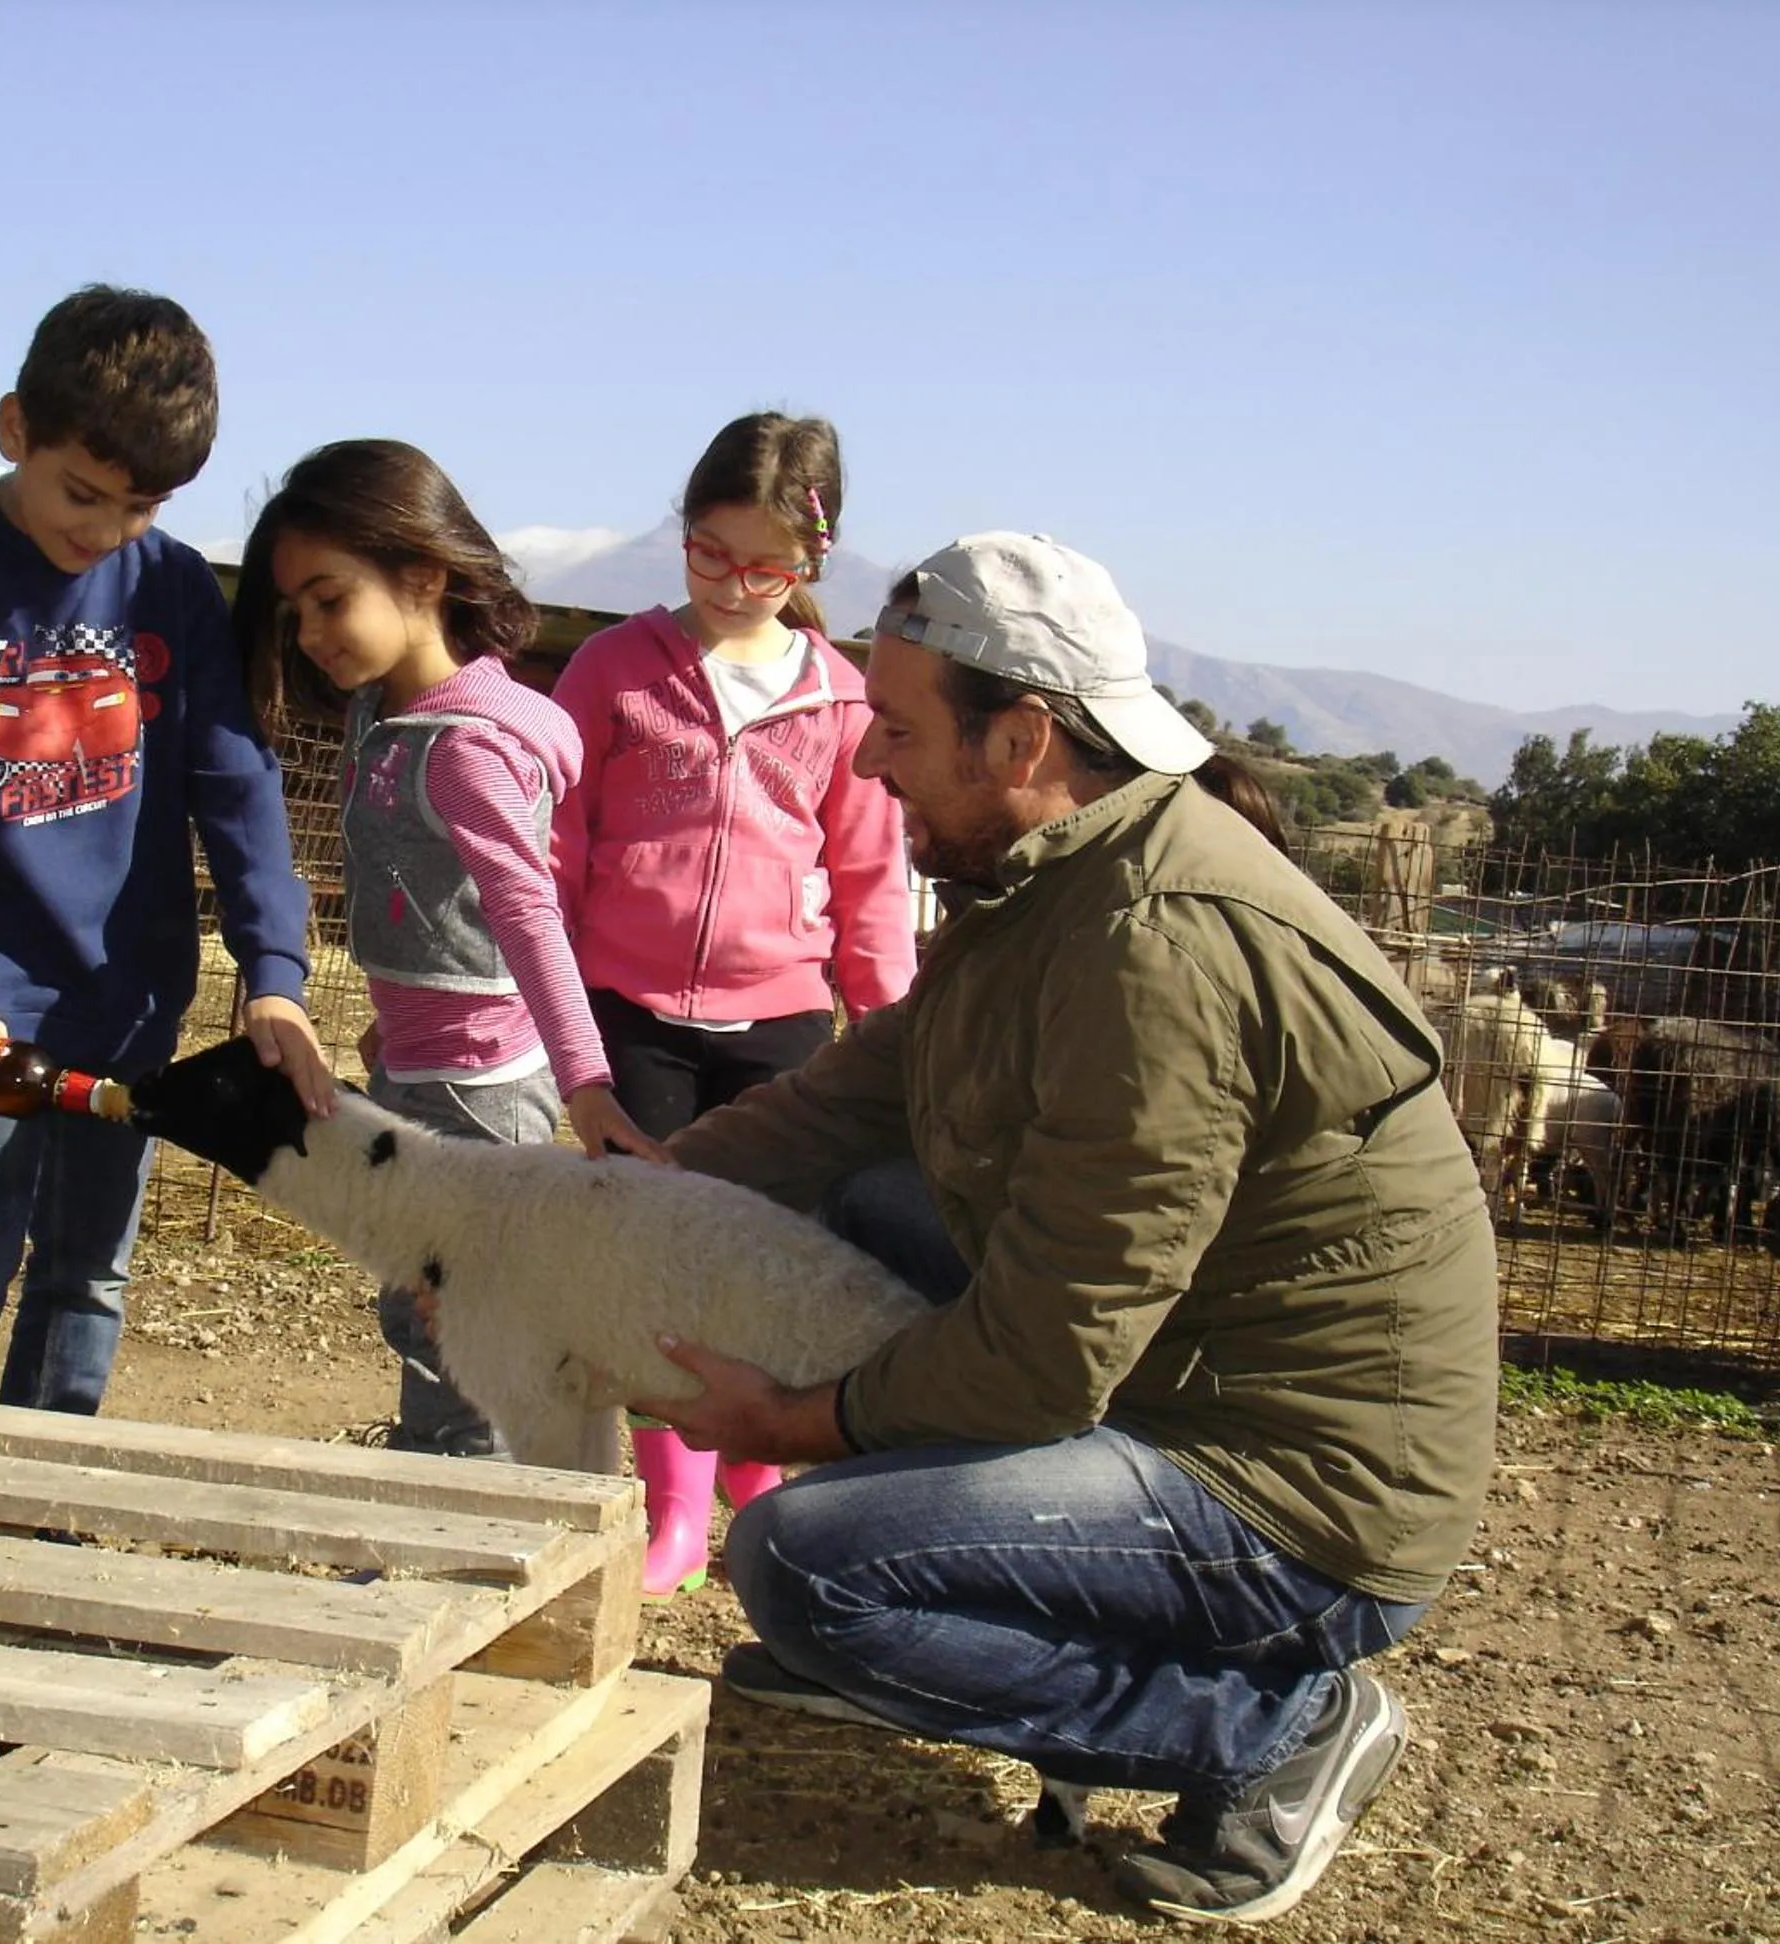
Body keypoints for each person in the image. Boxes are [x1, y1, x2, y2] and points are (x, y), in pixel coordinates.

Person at [632, 532, 1498, 1924]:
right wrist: (590, 1224)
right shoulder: (1059, 879)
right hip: (1188, 1379)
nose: (868, 768)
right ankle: (923, 1616)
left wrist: (791, 1421)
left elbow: (1042, 1360)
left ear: (1022, 736)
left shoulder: (1152, 944)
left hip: (1296, 1499)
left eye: (900, 733)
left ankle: (1275, 1732)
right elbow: (845, 1107)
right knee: (858, 1202)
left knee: (799, 1566)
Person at [0, 285, 333, 1417]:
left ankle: (34, 1518)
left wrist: (273, 978)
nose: (103, 530)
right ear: (12, 430)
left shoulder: (173, 587)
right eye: (82, 493)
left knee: (89, 1278)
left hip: (129, 1006)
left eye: (140, 506)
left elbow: (238, 790)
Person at [234, 439, 665, 1459]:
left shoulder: (463, 750)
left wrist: (588, 1086)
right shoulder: (385, 712)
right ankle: (468, 1494)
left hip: (474, 1093)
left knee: (453, 1324)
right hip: (417, 1065)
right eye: (297, 610)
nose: (312, 632)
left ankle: (464, 1513)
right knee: (429, 1309)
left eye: (330, 600)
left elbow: (525, 918)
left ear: (422, 576)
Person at [552, 411, 915, 1593]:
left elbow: (868, 887)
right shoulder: (612, 669)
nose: (736, 584)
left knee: (764, 1260)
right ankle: (675, 1507)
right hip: (632, 1010)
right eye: (711, 552)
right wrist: (550, 1008)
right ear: (684, 528)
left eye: (769, 566)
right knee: (650, 1258)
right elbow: (557, 852)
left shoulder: (845, 704)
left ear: (813, 563)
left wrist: (897, 1038)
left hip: (783, 1024)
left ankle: (757, 1475)